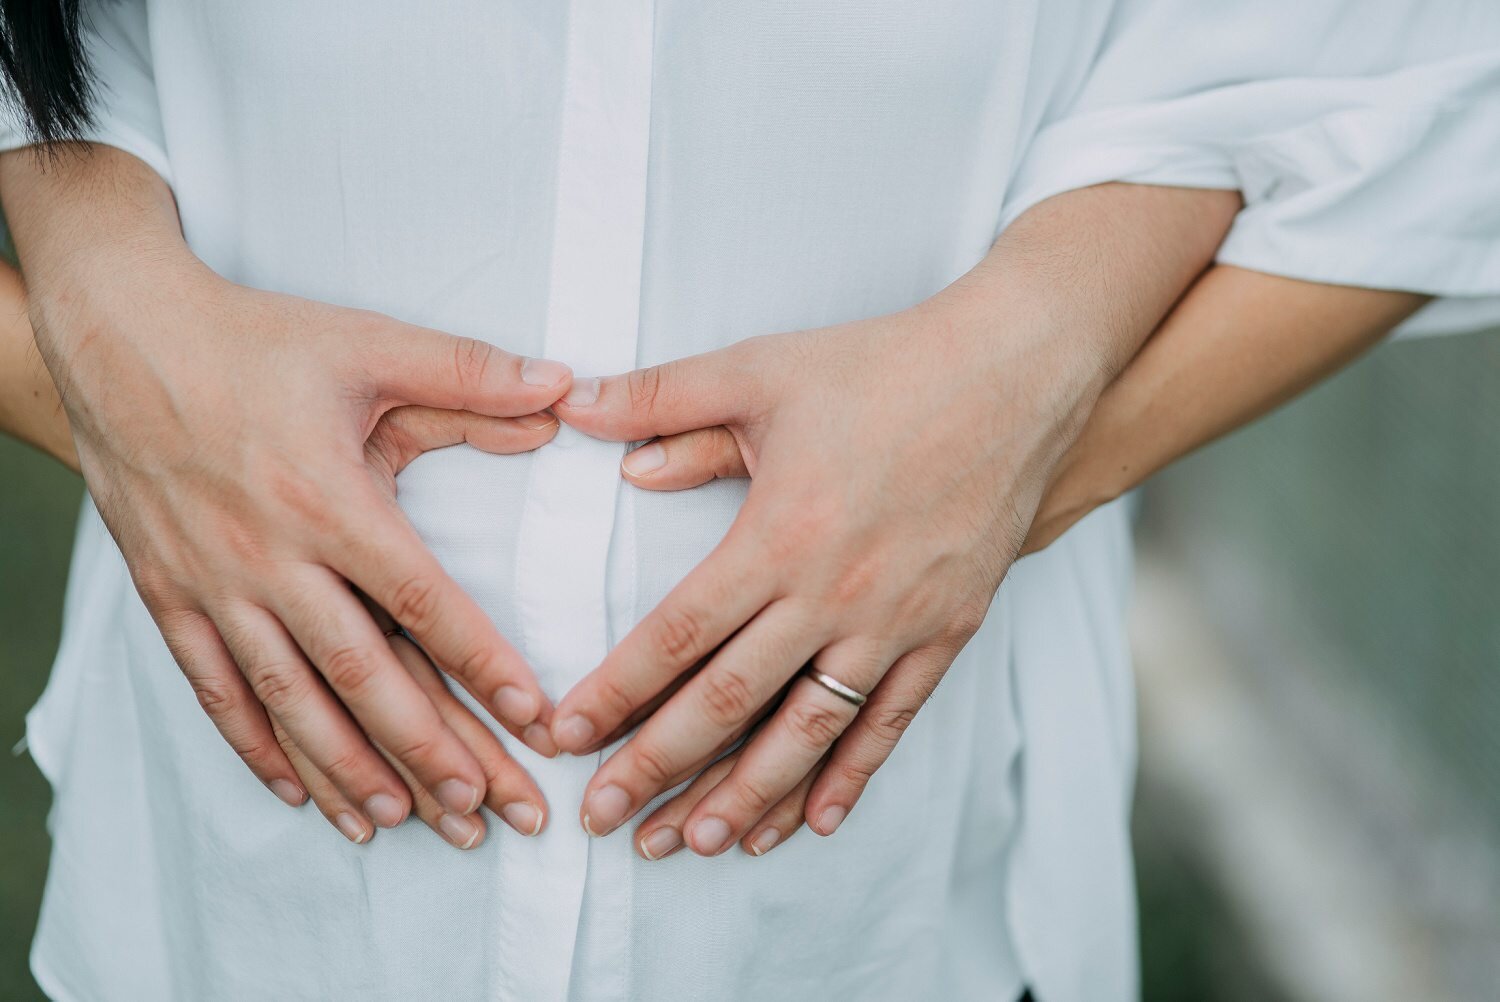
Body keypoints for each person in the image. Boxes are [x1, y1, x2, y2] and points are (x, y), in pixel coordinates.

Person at [1, 2, 1497, 1000]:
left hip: (894, 899)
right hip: (232, 888)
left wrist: (1027, 431)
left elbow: (1421, 78)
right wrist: (103, 329)